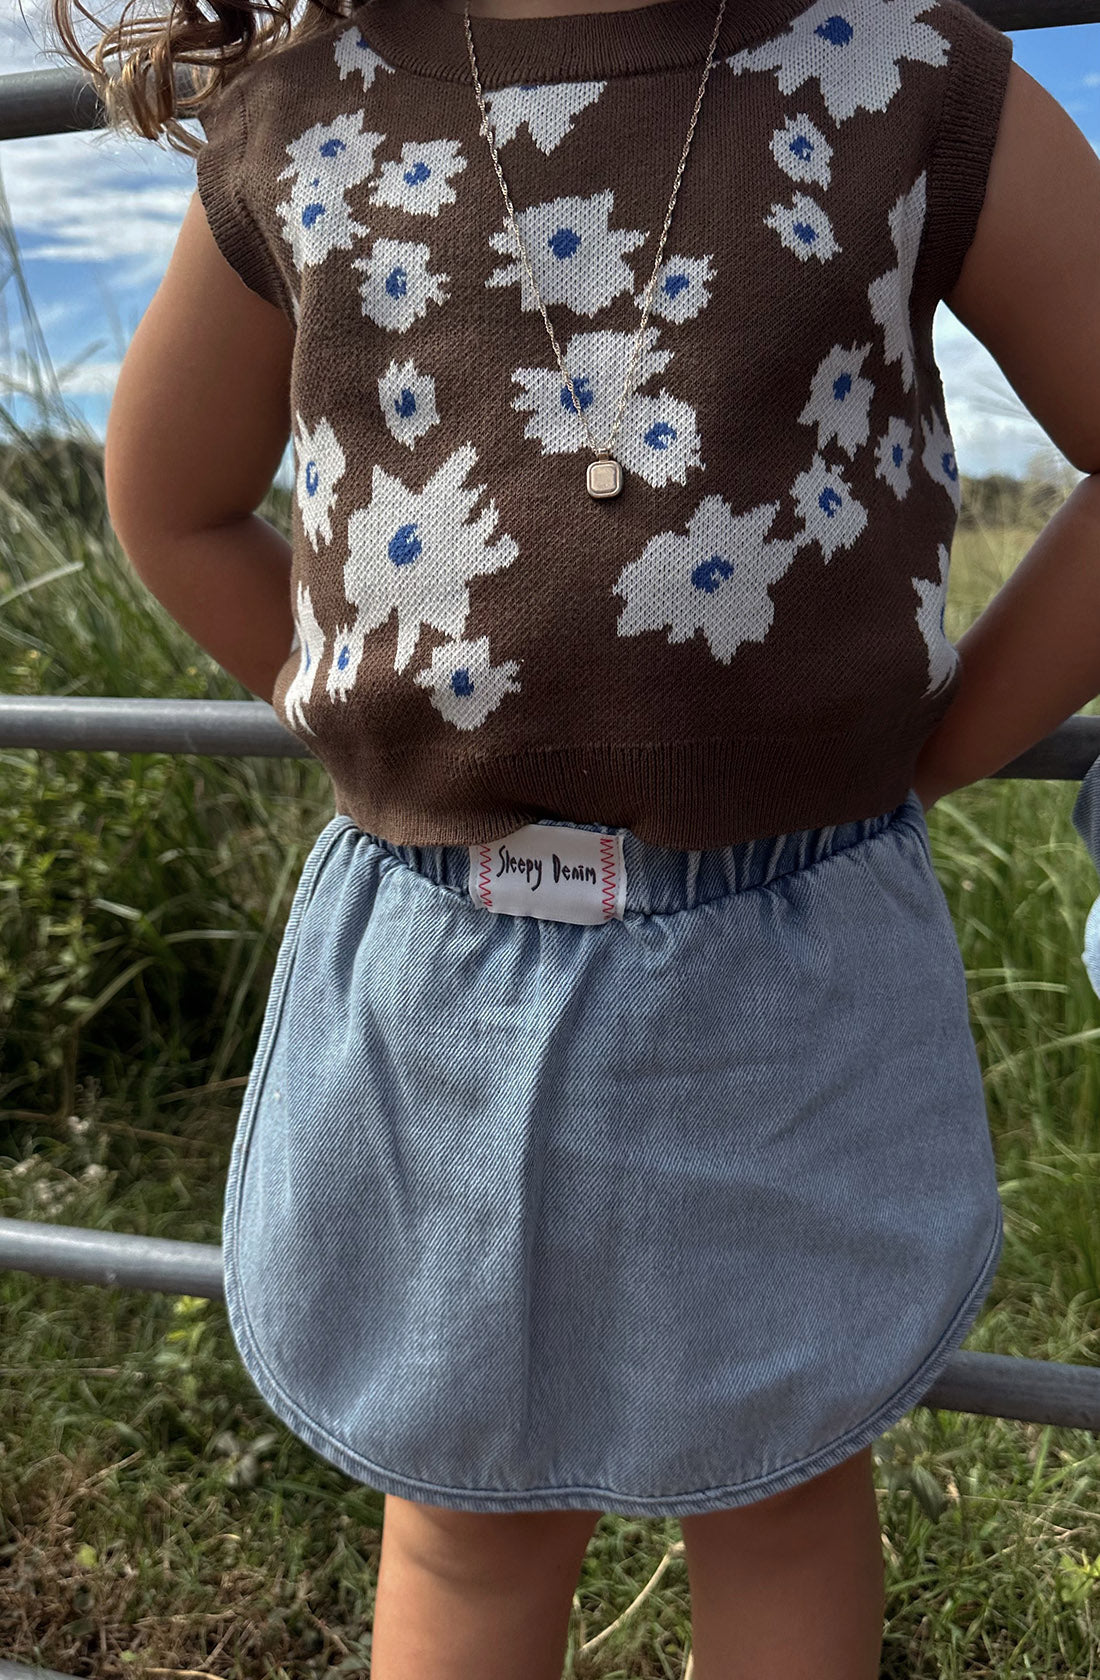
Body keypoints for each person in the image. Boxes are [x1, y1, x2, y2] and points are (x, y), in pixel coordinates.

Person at [46, 0, 1100, 1667]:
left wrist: (938, 745)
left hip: (793, 963)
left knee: (779, 1484)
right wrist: (383, 723)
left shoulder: (901, 75)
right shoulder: (305, 116)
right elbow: (170, 499)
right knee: (467, 1509)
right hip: (429, 966)